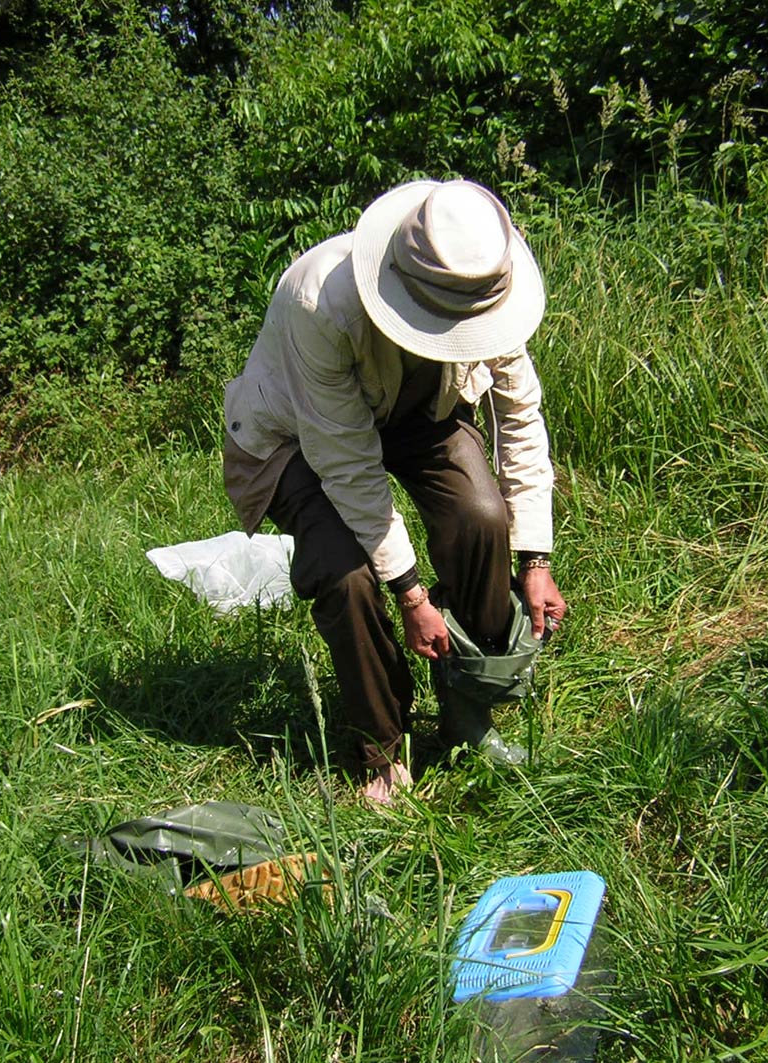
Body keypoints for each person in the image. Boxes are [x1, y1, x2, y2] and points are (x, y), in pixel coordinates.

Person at [223, 179, 567, 804]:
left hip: (418, 407)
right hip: (295, 435)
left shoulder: (484, 280)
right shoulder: (320, 301)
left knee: (483, 516)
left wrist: (534, 560)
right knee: (347, 573)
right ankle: (383, 750)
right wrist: (410, 594)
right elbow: (346, 460)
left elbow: (519, 416)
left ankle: (470, 715)